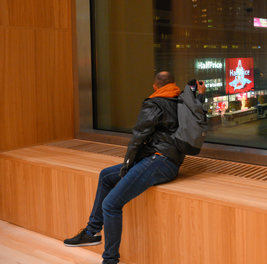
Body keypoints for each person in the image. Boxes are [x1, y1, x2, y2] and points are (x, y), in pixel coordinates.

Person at [63, 71, 206, 264]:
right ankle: (91, 232)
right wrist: (200, 94)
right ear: (173, 84)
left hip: (159, 162)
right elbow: (197, 117)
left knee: (111, 204)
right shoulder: (182, 100)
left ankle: (110, 260)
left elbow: (138, 137)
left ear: (155, 87)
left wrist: (127, 165)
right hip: (168, 162)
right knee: (106, 175)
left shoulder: (154, 103)